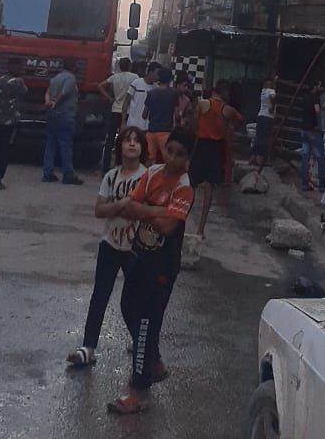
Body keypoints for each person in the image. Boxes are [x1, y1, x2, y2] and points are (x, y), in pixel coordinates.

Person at [107, 127, 196, 416]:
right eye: (170, 151)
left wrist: (145, 208)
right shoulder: (153, 172)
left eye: (180, 154)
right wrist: (159, 210)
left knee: (146, 323)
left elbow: (168, 227)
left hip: (162, 266)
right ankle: (153, 360)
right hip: (139, 255)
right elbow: (129, 207)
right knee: (127, 306)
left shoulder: (184, 187)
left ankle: (139, 391)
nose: (172, 158)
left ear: (187, 158)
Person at [67, 125, 148, 368]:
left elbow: (142, 210)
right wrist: (123, 204)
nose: (131, 144)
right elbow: (99, 210)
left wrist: (120, 207)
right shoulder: (111, 176)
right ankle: (88, 347)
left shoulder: (147, 178)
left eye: (136, 141)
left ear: (142, 148)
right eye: (127, 140)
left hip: (136, 247)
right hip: (110, 244)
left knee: (133, 300)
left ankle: (142, 343)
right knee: (99, 296)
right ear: (119, 146)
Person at [189, 84, 242, 239]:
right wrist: (229, 128)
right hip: (217, 148)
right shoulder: (228, 110)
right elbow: (240, 120)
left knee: (191, 184)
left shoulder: (202, 104)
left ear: (213, 92)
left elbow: (194, 124)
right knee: (209, 187)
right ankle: (200, 229)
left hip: (201, 145)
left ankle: (182, 219)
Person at [0, 65, 28, 190]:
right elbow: (25, 91)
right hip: (9, 121)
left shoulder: (0, 79)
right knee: (4, 150)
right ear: (16, 69)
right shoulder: (18, 82)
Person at [42, 64, 83, 185]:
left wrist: (48, 103)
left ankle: (48, 173)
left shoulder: (55, 78)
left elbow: (47, 92)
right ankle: (68, 174)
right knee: (65, 146)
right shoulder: (70, 78)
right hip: (65, 115)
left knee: (50, 145)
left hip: (51, 115)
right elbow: (64, 92)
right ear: (74, 68)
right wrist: (56, 102)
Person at [99, 57, 137, 173]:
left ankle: (105, 168)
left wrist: (109, 98)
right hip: (127, 112)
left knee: (110, 140)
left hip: (115, 109)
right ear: (130, 66)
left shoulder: (115, 77)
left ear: (120, 66)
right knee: (125, 139)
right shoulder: (134, 77)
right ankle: (120, 166)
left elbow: (100, 85)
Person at [142, 68, 178, 164]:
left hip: (151, 131)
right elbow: (177, 115)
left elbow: (144, 115)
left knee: (150, 160)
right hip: (166, 131)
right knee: (168, 160)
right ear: (170, 79)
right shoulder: (173, 93)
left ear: (158, 78)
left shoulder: (151, 93)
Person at [300, 82, 325, 192]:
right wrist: (322, 106)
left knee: (305, 157)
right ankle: (322, 186)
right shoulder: (315, 97)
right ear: (315, 87)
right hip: (312, 131)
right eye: (319, 85)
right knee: (320, 157)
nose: (321, 87)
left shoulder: (305, 96)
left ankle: (304, 184)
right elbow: (317, 110)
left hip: (304, 130)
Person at [250, 77, 276, 169]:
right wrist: (272, 107)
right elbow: (273, 97)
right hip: (268, 117)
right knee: (264, 138)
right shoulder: (271, 91)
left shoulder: (263, 91)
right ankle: (260, 159)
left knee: (258, 137)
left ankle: (253, 156)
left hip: (260, 115)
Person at [124, 61, 157, 132]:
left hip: (147, 127)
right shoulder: (136, 83)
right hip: (132, 125)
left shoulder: (156, 88)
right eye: (156, 73)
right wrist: (123, 122)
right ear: (150, 72)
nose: (158, 76)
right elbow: (126, 101)